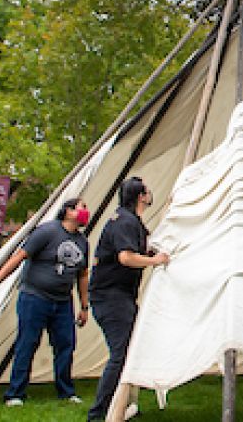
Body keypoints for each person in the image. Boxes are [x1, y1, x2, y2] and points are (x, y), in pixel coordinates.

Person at [0, 197, 91, 406]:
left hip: (63, 301)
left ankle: (66, 391)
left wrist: (84, 306)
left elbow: (82, 275)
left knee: (66, 345)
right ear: (68, 211)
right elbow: (19, 256)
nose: (86, 212)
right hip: (35, 297)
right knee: (27, 344)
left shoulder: (83, 242)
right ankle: (15, 393)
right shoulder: (47, 232)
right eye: (82, 208)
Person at [87, 177, 169, 421]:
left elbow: (144, 248)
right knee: (121, 353)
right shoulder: (124, 221)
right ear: (141, 196)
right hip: (110, 296)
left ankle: (122, 406)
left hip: (119, 295)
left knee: (128, 352)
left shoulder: (132, 222)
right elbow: (126, 257)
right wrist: (154, 261)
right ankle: (98, 413)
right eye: (146, 190)